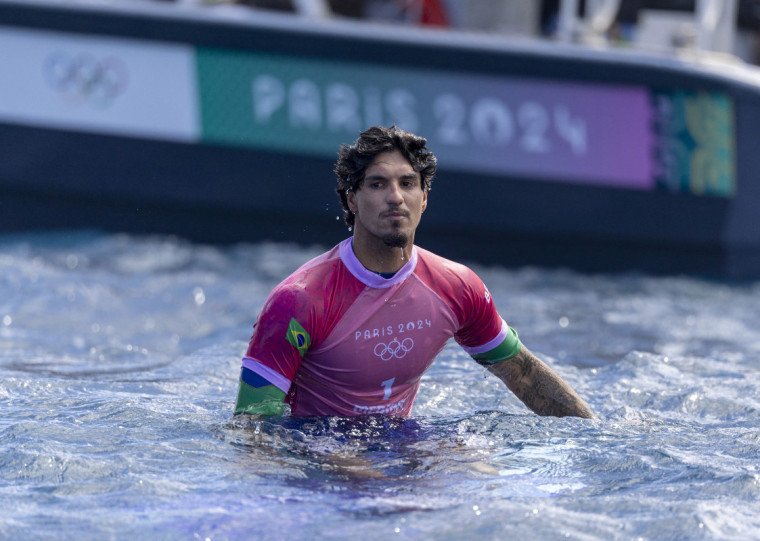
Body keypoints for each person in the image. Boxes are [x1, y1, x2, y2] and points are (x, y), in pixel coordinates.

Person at [234, 125, 595, 419]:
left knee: (481, 469)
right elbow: (252, 430)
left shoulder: (457, 287)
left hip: (403, 446)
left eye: (407, 183)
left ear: (424, 198)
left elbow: (524, 373)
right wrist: (335, 463)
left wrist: (595, 438)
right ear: (350, 199)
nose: (395, 197)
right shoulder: (298, 301)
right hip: (318, 458)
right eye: (377, 184)